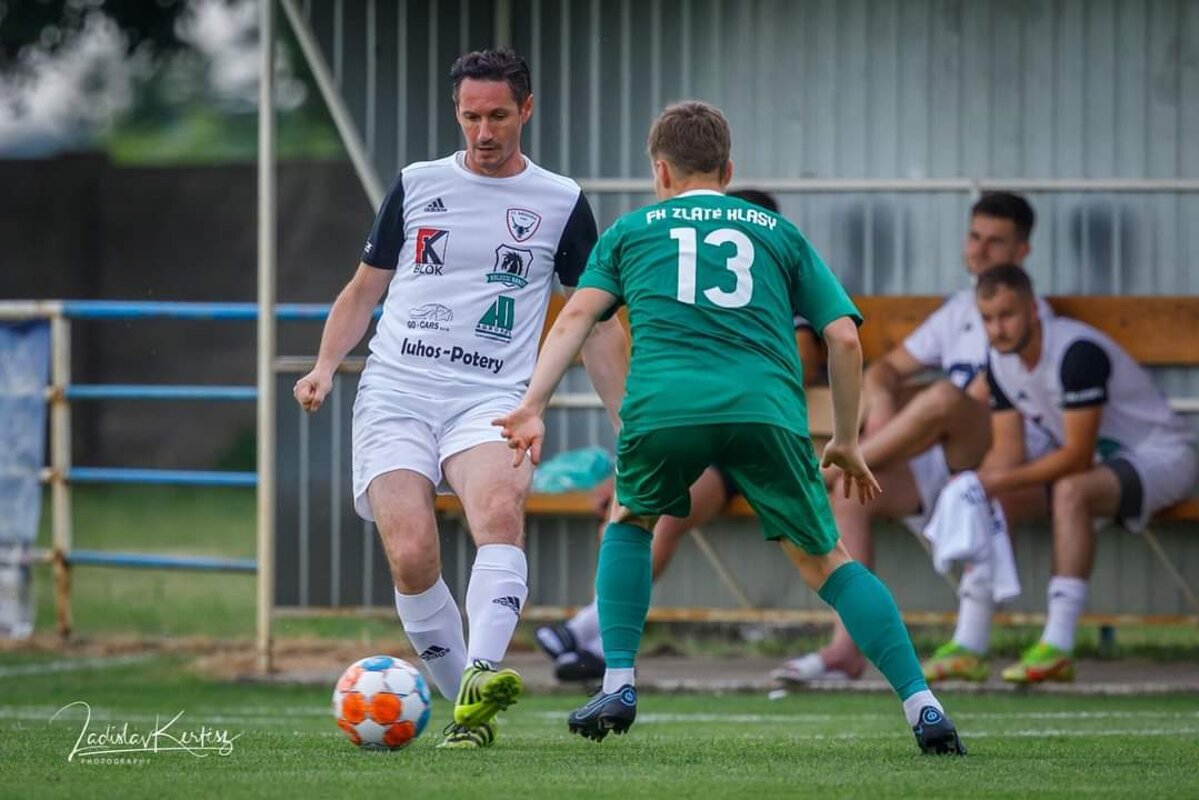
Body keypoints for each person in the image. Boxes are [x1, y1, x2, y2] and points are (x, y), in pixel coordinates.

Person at [495, 101, 965, 754]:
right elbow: (842, 339)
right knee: (828, 561)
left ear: (661, 172)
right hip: (765, 411)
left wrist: (532, 404)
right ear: (728, 169)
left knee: (630, 519)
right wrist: (845, 439)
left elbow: (578, 319)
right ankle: (922, 704)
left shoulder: (632, 231)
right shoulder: (778, 233)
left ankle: (619, 681)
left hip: (665, 408)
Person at [293, 47, 627, 749]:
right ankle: (466, 710)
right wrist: (325, 366)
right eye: (471, 117)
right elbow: (363, 290)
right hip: (396, 392)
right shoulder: (416, 184)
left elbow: (593, 320)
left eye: (498, 116)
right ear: (457, 111)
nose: (483, 132)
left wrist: (627, 419)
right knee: (412, 553)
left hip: (492, 398)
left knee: (500, 512)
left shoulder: (561, 201)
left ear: (526, 110)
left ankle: (479, 675)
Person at [534, 189, 826, 683]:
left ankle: (593, 635)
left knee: (661, 515)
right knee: (629, 506)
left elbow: (805, 359)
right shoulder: (698, 289)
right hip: (699, 434)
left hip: (755, 445)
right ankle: (599, 640)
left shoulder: (783, 285)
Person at [772, 192, 1056, 686]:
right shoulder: (959, 309)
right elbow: (885, 370)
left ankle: (826, 470)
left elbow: (985, 395)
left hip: (1011, 454)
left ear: (1023, 251)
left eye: (995, 241)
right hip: (944, 453)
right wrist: (883, 406)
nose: (980, 250)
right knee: (851, 496)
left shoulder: (1029, 313)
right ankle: (847, 648)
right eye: (974, 237)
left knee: (943, 396)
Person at [975, 264, 1199, 683]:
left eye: (1006, 315)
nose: (997, 329)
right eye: (987, 319)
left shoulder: (1076, 353)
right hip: (1101, 465)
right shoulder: (998, 360)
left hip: (1163, 456)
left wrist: (996, 480)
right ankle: (969, 642)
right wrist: (976, 487)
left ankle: (1058, 645)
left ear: (1033, 311)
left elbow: (1076, 457)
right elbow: (1008, 454)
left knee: (1071, 490)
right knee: (991, 497)